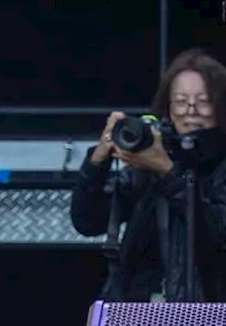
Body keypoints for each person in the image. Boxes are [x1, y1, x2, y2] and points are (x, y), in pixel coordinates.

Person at [70, 48, 226, 303]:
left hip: (208, 315)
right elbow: (88, 222)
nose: (191, 110)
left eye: (204, 100)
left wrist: (168, 172)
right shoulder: (146, 163)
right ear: (168, 107)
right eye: (181, 100)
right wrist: (98, 160)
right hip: (138, 310)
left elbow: (217, 234)